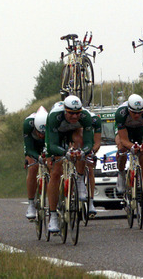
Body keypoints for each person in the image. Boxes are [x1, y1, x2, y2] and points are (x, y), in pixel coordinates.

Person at [45, 95, 93, 232]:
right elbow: (51, 146)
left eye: (77, 113)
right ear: (65, 111)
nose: (75, 116)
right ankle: (53, 216)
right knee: (55, 172)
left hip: (73, 132)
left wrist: (82, 152)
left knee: (80, 143)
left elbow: (89, 143)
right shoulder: (55, 116)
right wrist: (64, 153)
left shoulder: (85, 116)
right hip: (56, 136)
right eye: (71, 113)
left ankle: (79, 180)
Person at [115, 94, 143, 217]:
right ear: (128, 110)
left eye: (139, 113)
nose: (137, 115)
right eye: (134, 113)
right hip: (125, 131)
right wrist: (131, 147)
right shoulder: (121, 113)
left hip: (140, 131)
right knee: (121, 148)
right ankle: (121, 173)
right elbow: (124, 139)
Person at [23, 106, 48, 220]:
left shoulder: (51, 123)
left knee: (54, 166)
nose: (41, 135)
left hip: (48, 143)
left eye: (43, 133)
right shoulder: (28, 123)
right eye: (39, 132)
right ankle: (31, 204)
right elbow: (28, 148)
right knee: (32, 167)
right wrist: (35, 157)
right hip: (33, 145)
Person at [86, 112, 102, 216]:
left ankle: (91, 201)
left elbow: (97, 143)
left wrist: (91, 152)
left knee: (90, 168)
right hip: (74, 140)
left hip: (88, 143)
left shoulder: (95, 120)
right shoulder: (74, 121)